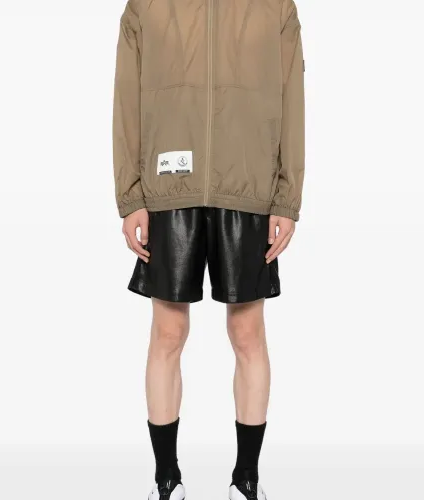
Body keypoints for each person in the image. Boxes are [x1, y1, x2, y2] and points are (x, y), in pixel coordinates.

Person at [113, 0, 305, 498]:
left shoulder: (275, 6)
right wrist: (131, 196)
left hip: (247, 186)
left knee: (247, 333)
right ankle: (166, 479)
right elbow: (126, 97)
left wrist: (287, 197)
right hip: (168, 189)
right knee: (168, 332)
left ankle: (247, 479)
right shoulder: (146, 4)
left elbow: (292, 96)